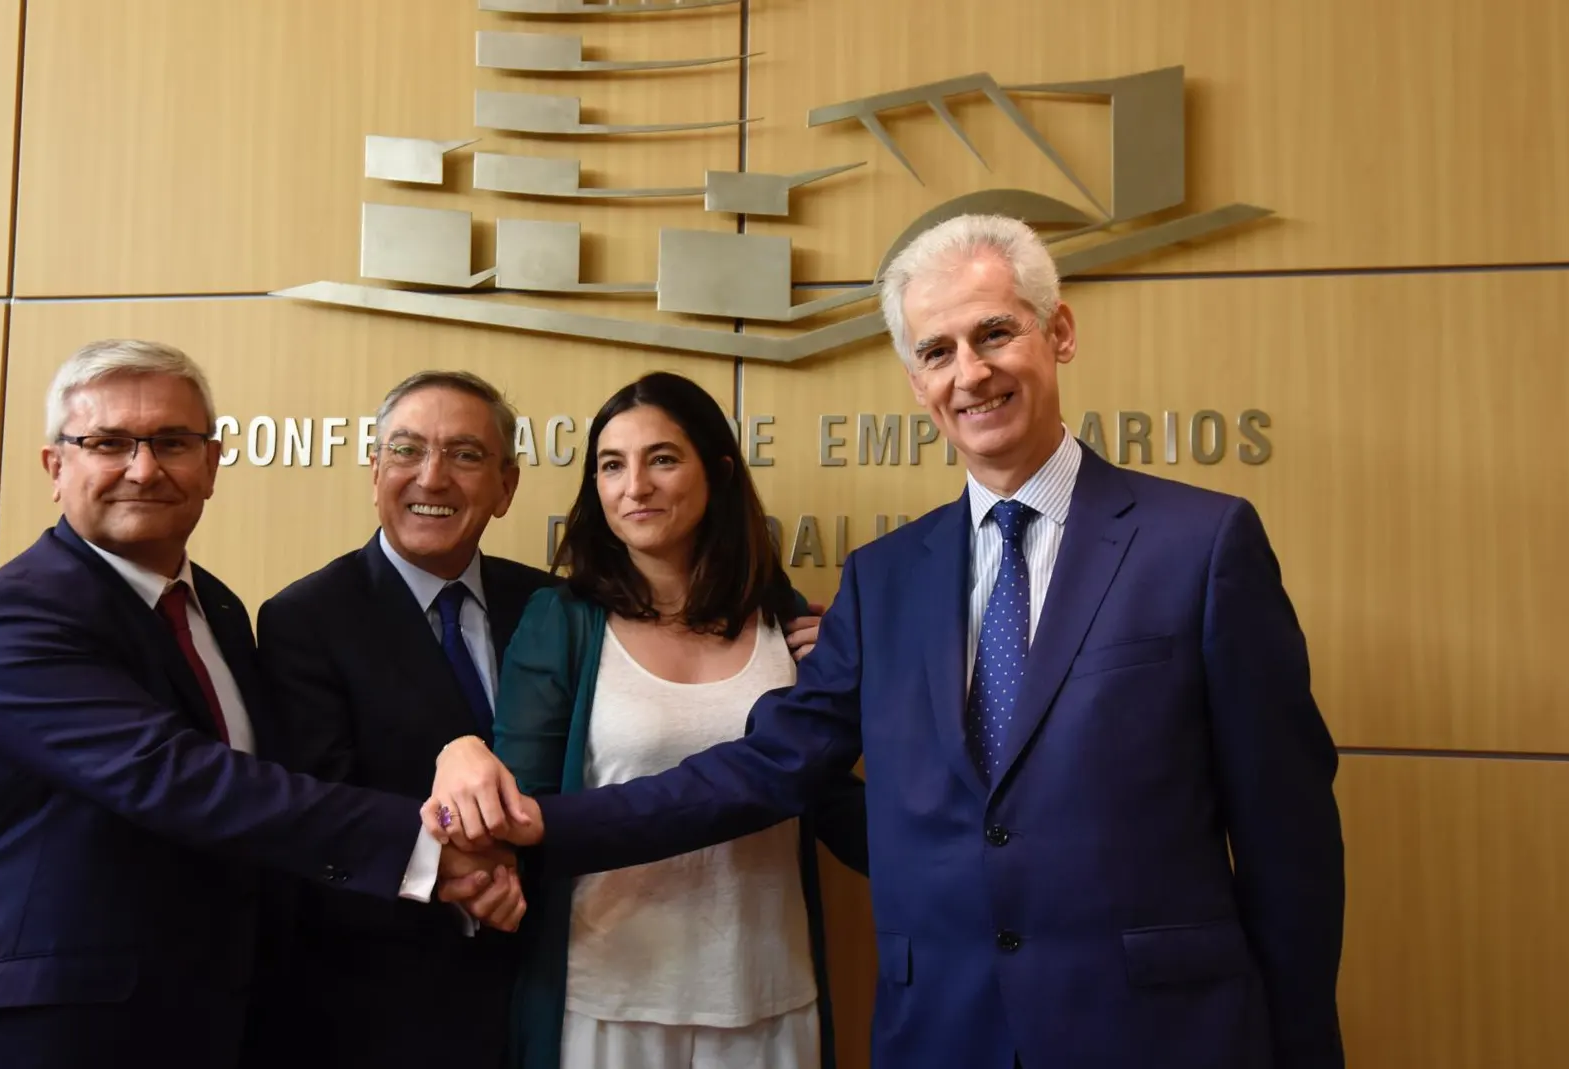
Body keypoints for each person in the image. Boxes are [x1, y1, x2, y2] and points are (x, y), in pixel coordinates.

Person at [428, 216, 1348, 1069]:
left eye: (995, 334)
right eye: (936, 351)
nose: (970, 373)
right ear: (915, 381)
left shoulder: (1201, 544)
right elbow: (767, 766)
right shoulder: (885, 579)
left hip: (1159, 1033)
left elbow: (1288, 836)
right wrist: (543, 820)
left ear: (1058, 332)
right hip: (943, 1034)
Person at [0, 340, 523, 1069]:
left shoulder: (214, 608)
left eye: (171, 442)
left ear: (213, 465)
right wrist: (428, 854)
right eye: (107, 443)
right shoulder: (14, 619)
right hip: (50, 1030)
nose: (143, 467)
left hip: (207, 1018)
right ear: (55, 467)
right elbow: (178, 777)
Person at [433, 371, 868, 1069]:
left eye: (662, 458)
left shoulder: (784, 617)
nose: (634, 485)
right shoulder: (564, 621)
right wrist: (459, 757)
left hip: (768, 992)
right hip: (607, 998)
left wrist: (865, 689)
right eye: (612, 464)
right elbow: (526, 807)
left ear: (718, 472)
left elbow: (821, 792)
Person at [253, 370, 556, 1069]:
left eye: (465, 454)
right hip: (385, 1006)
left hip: (551, 989)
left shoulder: (548, 604)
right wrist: (466, 877)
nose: (432, 477)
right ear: (375, 470)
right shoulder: (306, 619)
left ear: (506, 486)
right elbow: (321, 810)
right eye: (406, 450)